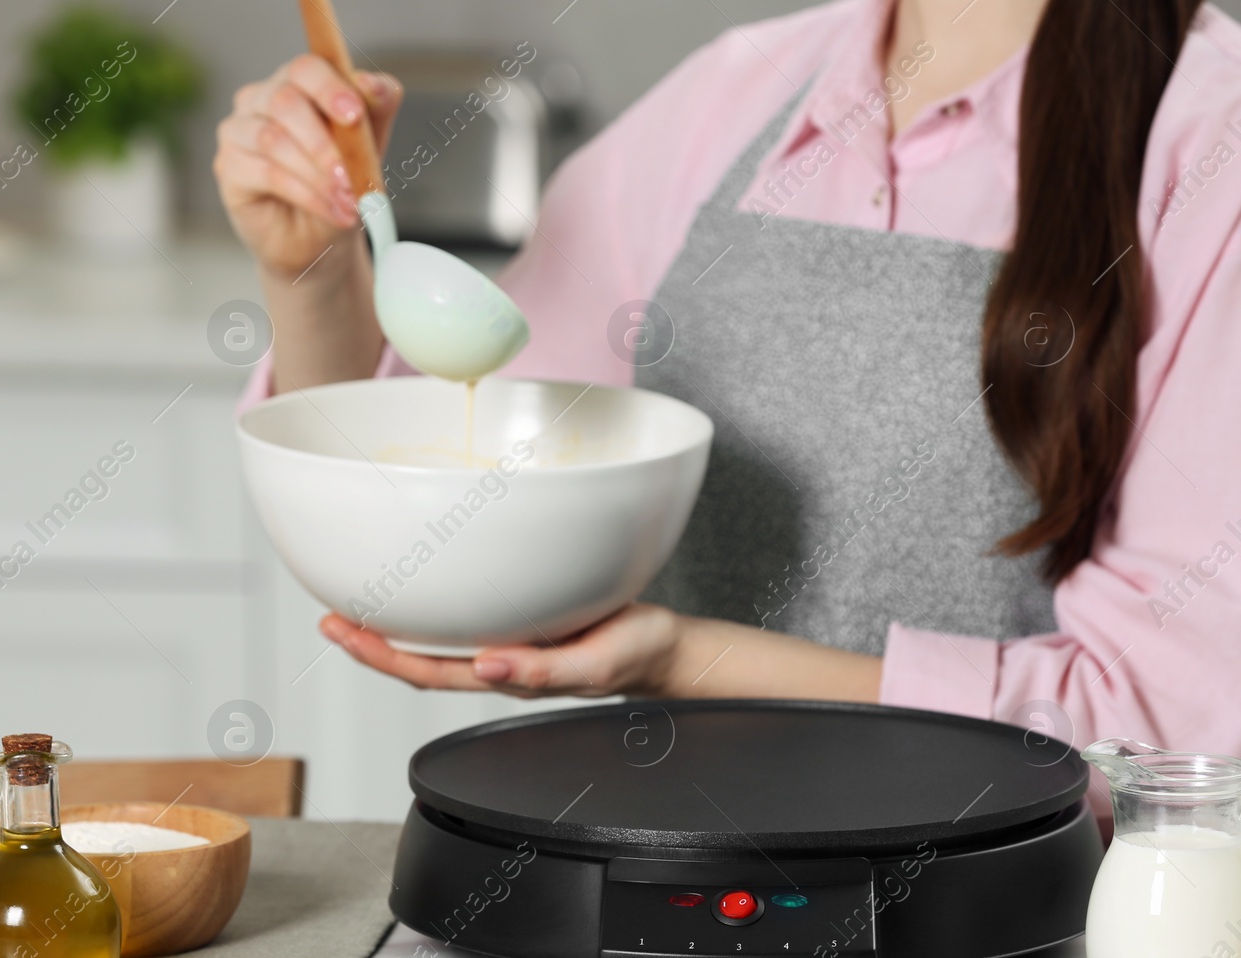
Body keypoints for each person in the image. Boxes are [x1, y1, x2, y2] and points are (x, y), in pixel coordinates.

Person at [214, 0, 1241, 755]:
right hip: (678, 886)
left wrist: (678, 662)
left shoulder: (1209, 142)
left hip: (1038, 956)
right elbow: (448, 475)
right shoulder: (737, 91)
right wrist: (312, 265)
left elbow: (1169, 724)